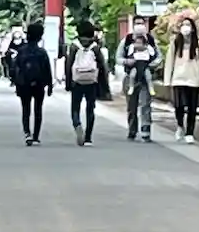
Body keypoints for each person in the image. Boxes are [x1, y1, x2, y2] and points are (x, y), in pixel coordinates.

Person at [65, 19, 110, 147]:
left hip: (77, 80)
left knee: (75, 107)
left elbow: (69, 65)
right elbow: (103, 66)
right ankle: (88, 137)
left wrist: (68, 82)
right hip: (91, 81)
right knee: (90, 109)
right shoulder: (95, 47)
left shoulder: (74, 46)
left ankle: (77, 124)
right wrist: (104, 85)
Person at [116, 17, 161, 142]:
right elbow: (118, 58)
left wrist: (150, 65)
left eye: (141, 23)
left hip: (145, 77)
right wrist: (127, 61)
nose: (139, 26)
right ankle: (132, 130)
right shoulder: (127, 40)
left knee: (145, 104)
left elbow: (159, 57)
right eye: (137, 23)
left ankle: (146, 130)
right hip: (131, 75)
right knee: (132, 106)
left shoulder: (150, 40)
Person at [165, 13, 199, 143]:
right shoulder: (175, 43)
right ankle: (180, 126)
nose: (185, 27)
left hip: (193, 80)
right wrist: (167, 79)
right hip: (178, 79)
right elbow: (169, 62)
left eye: (188, 25)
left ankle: (190, 132)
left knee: (192, 108)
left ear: (193, 28)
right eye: (183, 25)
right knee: (178, 106)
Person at [12, 21, 53, 146]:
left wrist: (15, 82)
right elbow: (47, 70)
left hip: (24, 84)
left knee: (26, 109)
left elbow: (15, 68)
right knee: (38, 110)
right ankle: (36, 136)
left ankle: (27, 134)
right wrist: (49, 85)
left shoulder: (21, 51)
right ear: (40, 36)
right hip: (39, 84)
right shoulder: (42, 52)